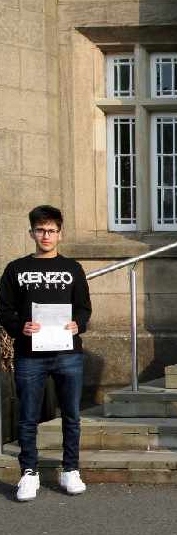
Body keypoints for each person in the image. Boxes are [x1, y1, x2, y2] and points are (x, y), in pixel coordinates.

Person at [0, 205, 92, 501]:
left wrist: (79, 324)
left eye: (51, 230)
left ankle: (70, 469)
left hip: (68, 353)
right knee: (27, 417)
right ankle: (29, 472)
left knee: (72, 416)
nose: (46, 235)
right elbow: (3, 308)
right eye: (40, 230)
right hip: (30, 354)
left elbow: (84, 307)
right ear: (31, 233)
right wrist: (19, 327)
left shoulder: (73, 269)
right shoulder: (16, 269)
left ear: (60, 234)